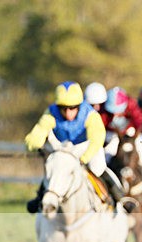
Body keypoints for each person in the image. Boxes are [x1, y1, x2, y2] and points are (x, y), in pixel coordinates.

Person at [24, 81, 132, 213]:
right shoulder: (51, 113)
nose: (68, 113)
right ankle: (40, 197)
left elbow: (97, 138)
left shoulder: (90, 114)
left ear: (80, 105)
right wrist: (35, 144)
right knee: (55, 170)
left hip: (86, 149)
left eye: (73, 108)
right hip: (63, 149)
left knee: (97, 168)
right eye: (63, 108)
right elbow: (40, 130)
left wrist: (84, 158)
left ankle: (119, 196)